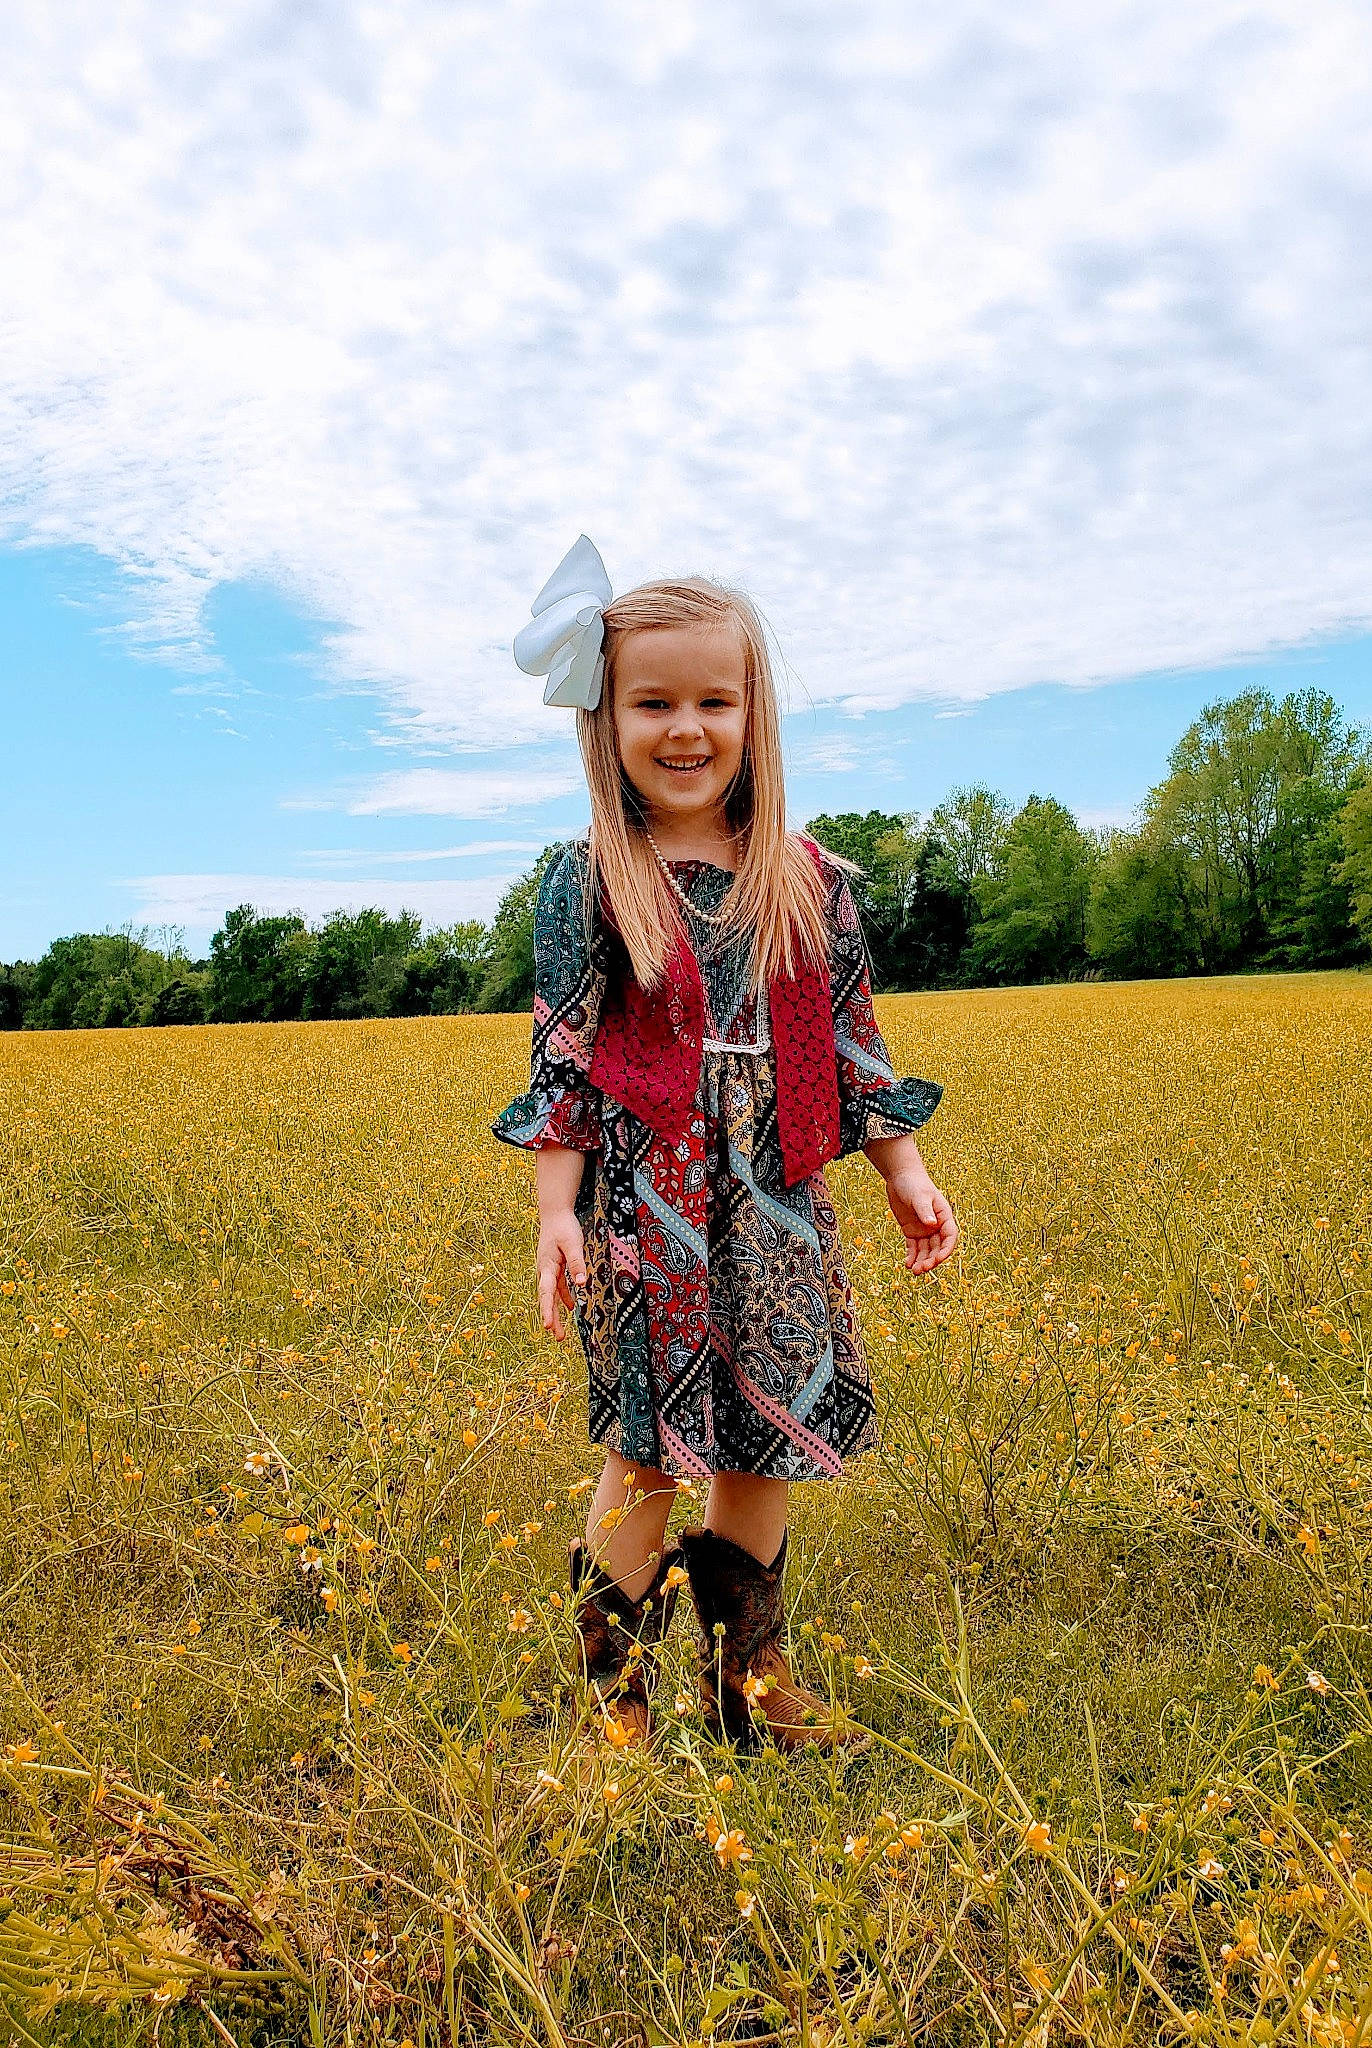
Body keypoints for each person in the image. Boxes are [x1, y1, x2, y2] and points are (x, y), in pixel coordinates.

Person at [494, 538, 958, 1752]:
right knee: (647, 1447)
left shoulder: (809, 878)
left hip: (779, 1198)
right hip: (647, 1205)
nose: (686, 727)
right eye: (653, 702)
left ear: (755, 714)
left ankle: (748, 1686)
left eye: (714, 699)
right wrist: (555, 1210)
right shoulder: (589, 879)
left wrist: (904, 1170)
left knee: (767, 1439)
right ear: (607, 720)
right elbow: (563, 1056)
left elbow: (853, 1035)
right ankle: (613, 1700)